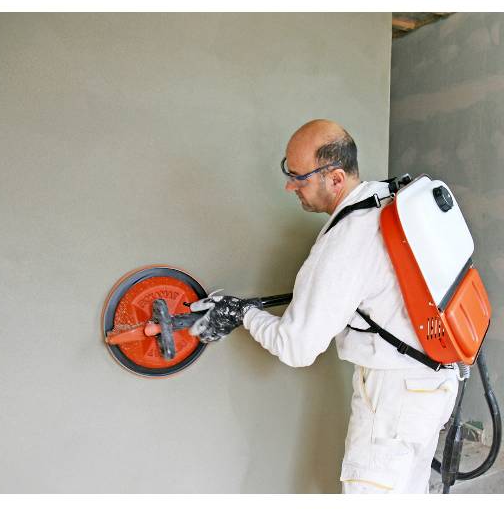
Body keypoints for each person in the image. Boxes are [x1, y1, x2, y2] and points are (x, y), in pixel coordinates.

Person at [189, 119, 458, 494]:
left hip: (393, 402)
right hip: (434, 383)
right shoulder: (387, 196)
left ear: (335, 179)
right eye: (288, 172)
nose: (289, 186)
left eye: (298, 177)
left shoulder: (345, 242)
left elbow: (296, 347)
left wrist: (242, 313)